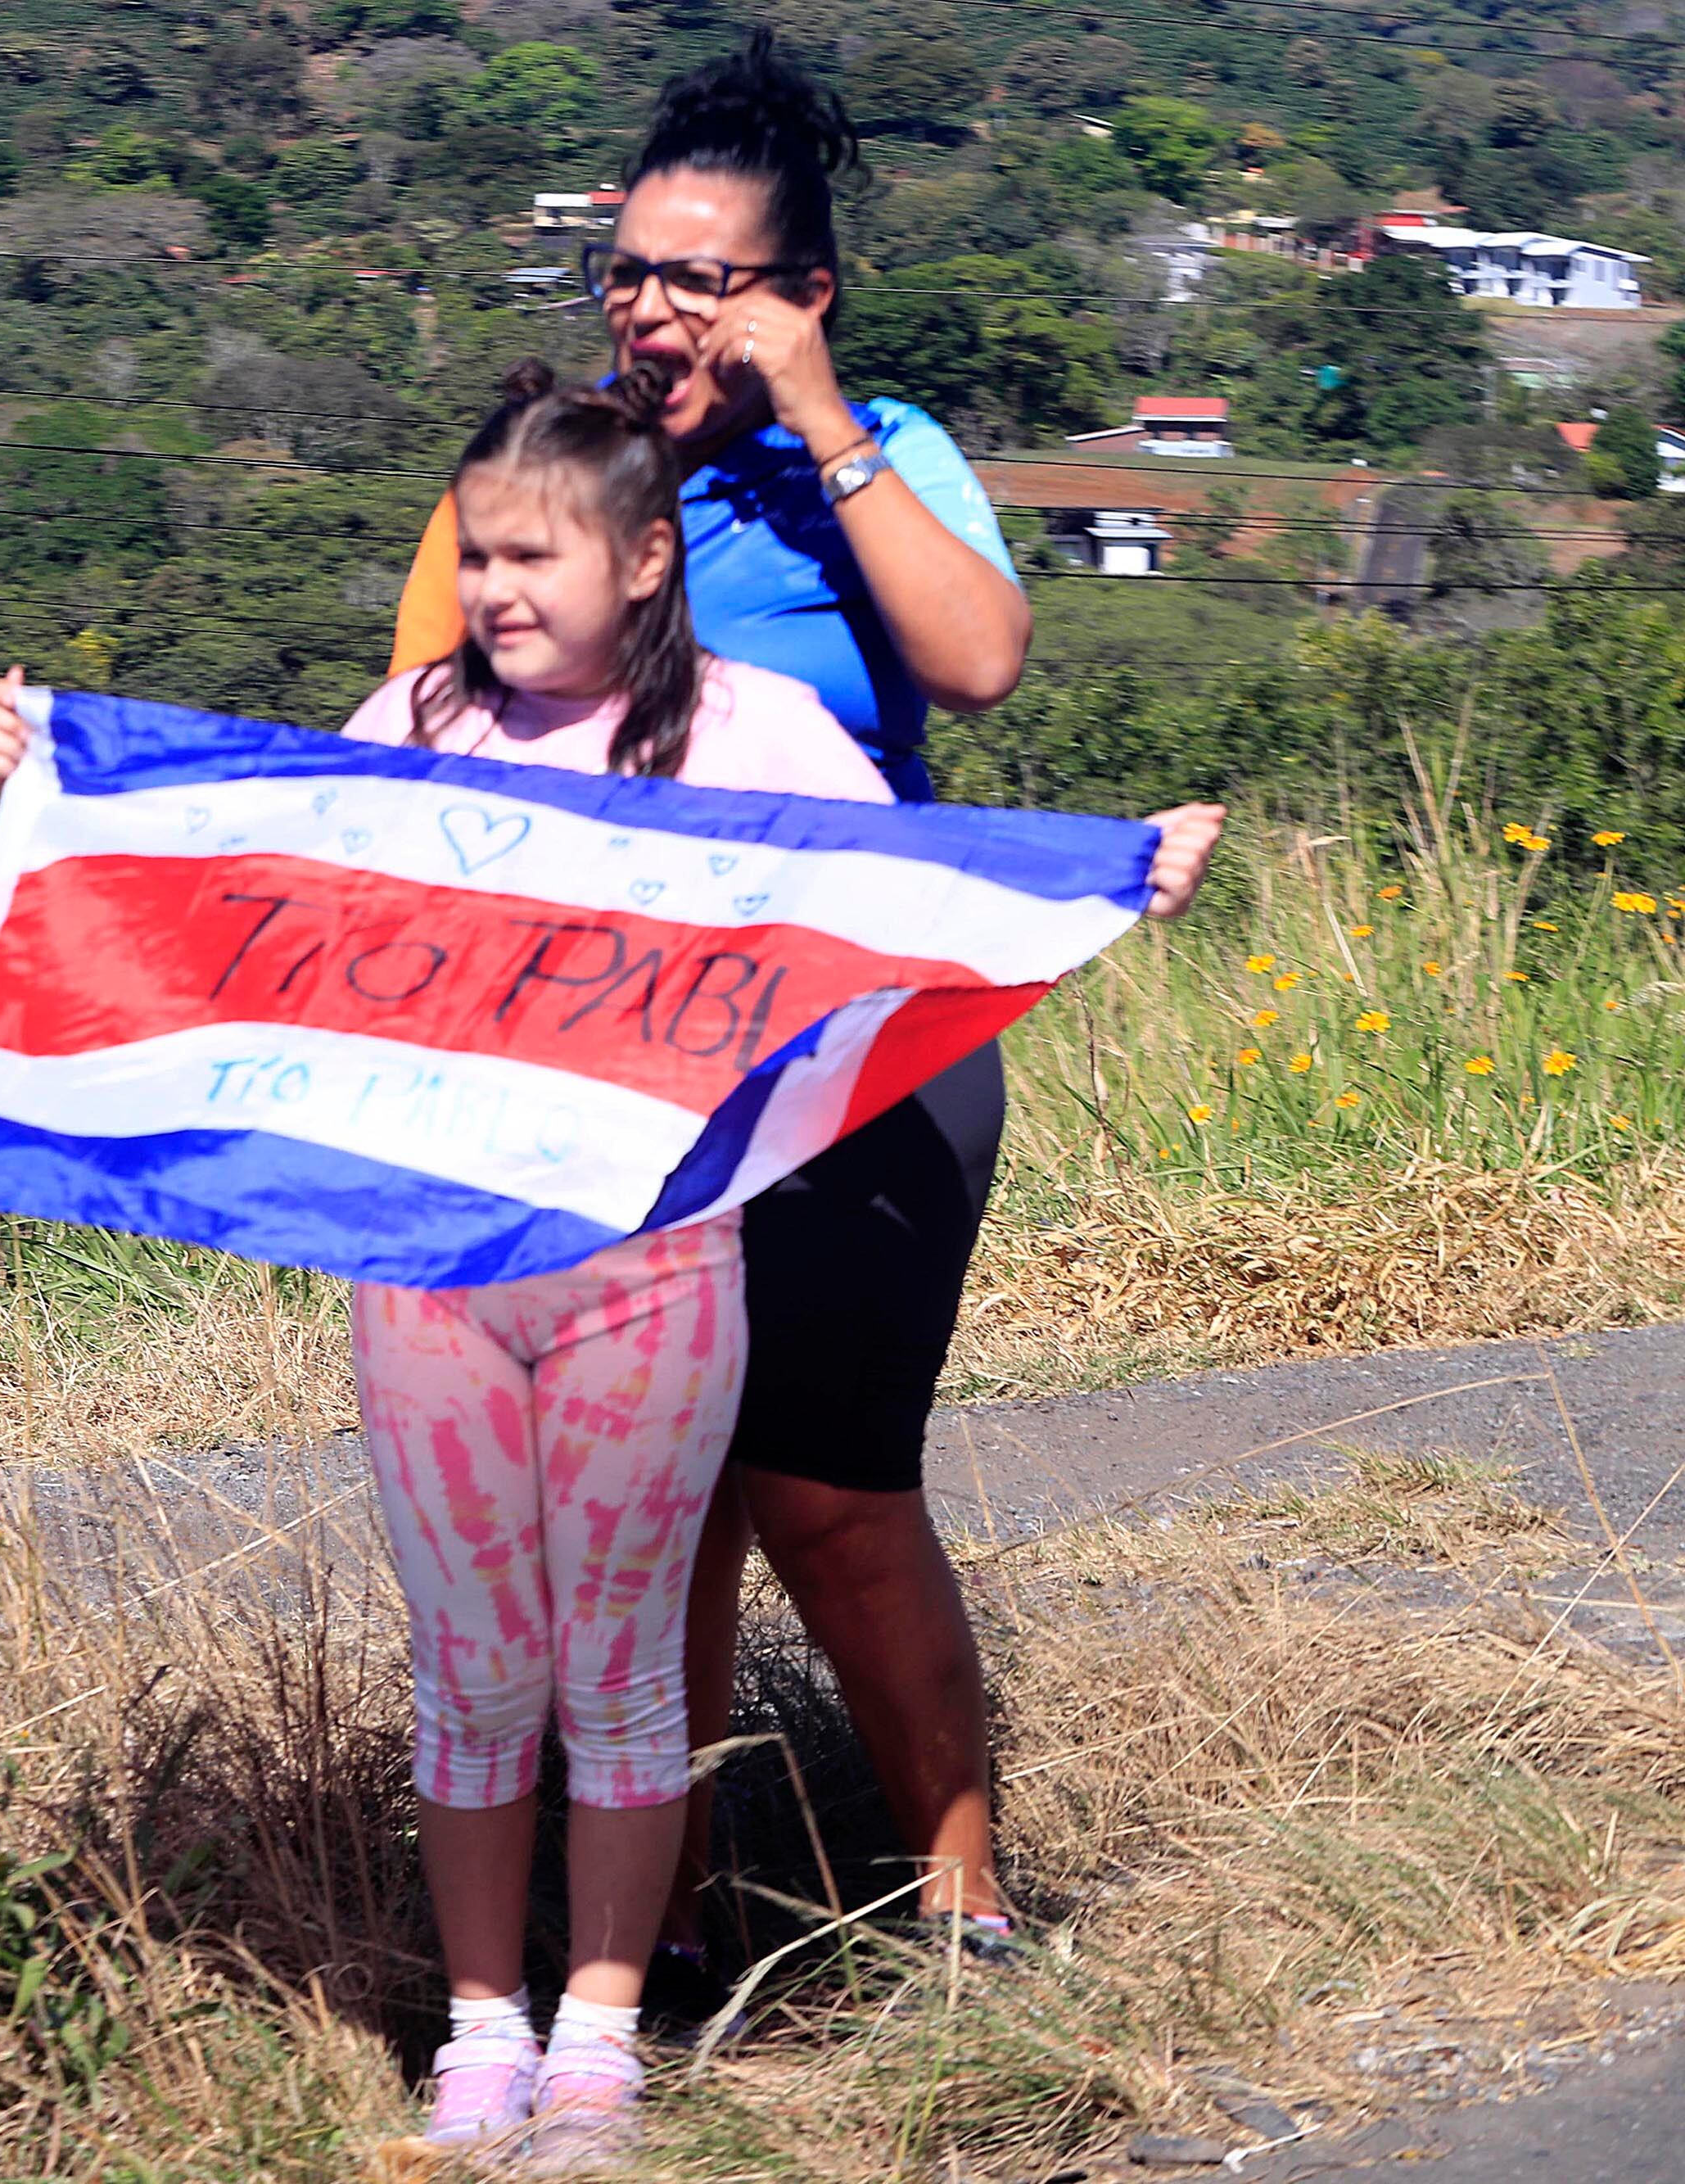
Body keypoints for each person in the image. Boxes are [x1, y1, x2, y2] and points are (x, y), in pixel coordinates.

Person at [0, 352, 909, 2170]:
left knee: (623, 1664)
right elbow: (264, 879)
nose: (492, 590)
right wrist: (67, 778)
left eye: (532, 557)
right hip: (428, 1275)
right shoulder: (412, 719)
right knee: (477, 1664)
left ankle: (602, 2028)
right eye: (475, 552)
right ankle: (481, 2025)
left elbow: (907, 898)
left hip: (653, 1271)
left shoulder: (752, 731)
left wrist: (1112, 872)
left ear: (643, 561)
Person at [386, 34, 1226, 2007]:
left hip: (865, 1052)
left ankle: (956, 1884)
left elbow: (982, 661)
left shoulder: (882, 450)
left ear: (795, 292)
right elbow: (412, 747)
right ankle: (658, 1917)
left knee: (829, 1492)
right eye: (628, 271)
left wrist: (817, 418)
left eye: (699, 278)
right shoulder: (539, 476)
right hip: (611, 1059)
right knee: (646, 1500)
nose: (649, 308)